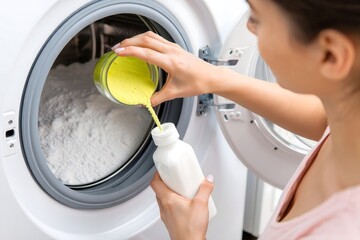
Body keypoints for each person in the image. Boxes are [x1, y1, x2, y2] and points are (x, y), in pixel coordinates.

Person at [111, 0, 360, 239]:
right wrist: (214, 77)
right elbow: (322, 120)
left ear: (331, 55)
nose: (249, 27)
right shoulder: (347, 121)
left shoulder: (340, 231)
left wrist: (188, 235)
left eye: (257, 18)